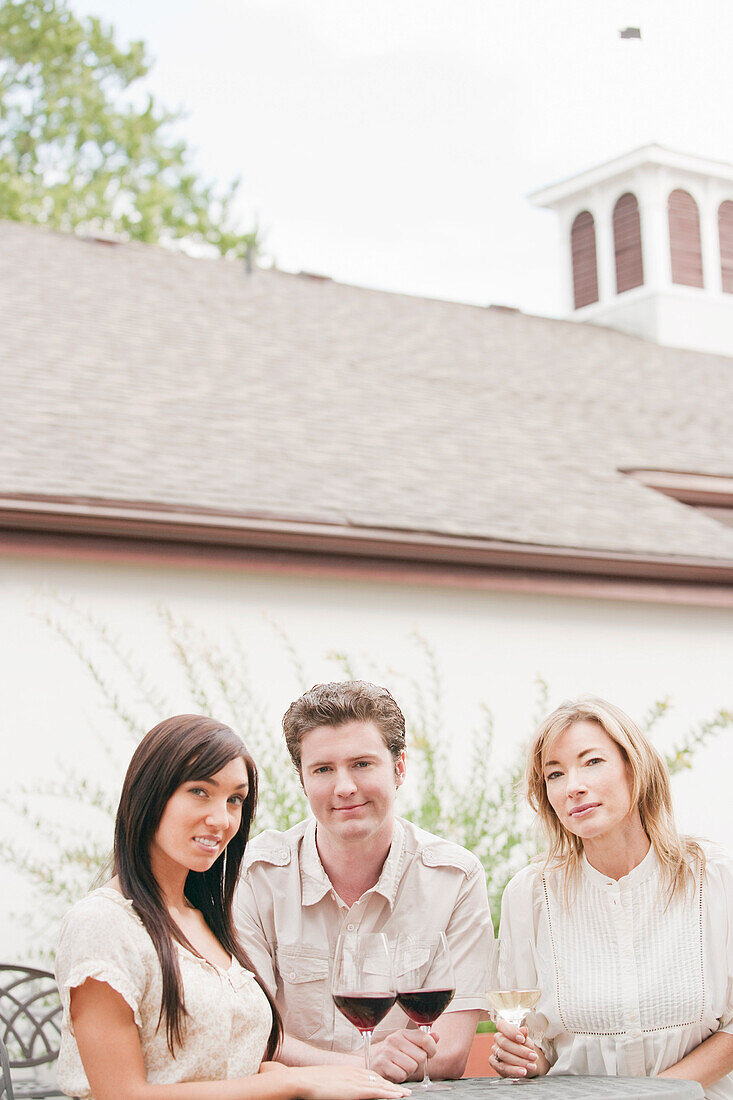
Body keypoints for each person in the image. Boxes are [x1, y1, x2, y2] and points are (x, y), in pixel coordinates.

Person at [54, 714, 409, 1100]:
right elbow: (120, 1095)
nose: (221, 819)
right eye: (199, 792)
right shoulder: (104, 923)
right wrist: (288, 1081)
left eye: (235, 800)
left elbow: (225, 1065)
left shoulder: (206, 919)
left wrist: (327, 1079)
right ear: (149, 795)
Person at [235, 680, 493, 1084]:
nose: (344, 787)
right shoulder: (256, 876)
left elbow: (451, 1050)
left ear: (400, 768)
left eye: (362, 764)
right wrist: (362, 1066)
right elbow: (249, 1034)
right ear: (302, 780)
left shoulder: (455, 878)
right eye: (323, 769)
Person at [490, 695, 733, 1099]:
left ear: (633, 767)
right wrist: (524, 1058)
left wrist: (655, 1094)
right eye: (555, 774)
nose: (574, 787)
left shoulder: (715, 877)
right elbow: (538, 1047)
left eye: (592, 762)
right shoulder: (530, 895)